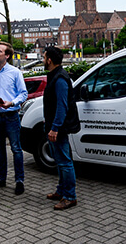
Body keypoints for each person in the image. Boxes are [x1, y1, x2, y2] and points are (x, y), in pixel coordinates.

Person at [0, 41, 28, 195]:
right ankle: (1, 179)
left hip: (11, 116)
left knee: (16, 149)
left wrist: (12, 103)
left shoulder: (15, 73)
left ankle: (19, 180)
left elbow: (23, 93)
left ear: (7, 56)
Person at [43, 46, 80, 210]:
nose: (43, 59)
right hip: (54, 125)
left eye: (44, 57)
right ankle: (61, 191)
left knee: (65, 162)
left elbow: (62, 106)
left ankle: (70, 196)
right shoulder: (55, 76)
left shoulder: (59, 79)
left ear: (49, 60)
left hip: (59, 128)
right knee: (59, 160)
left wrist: (55, 127)